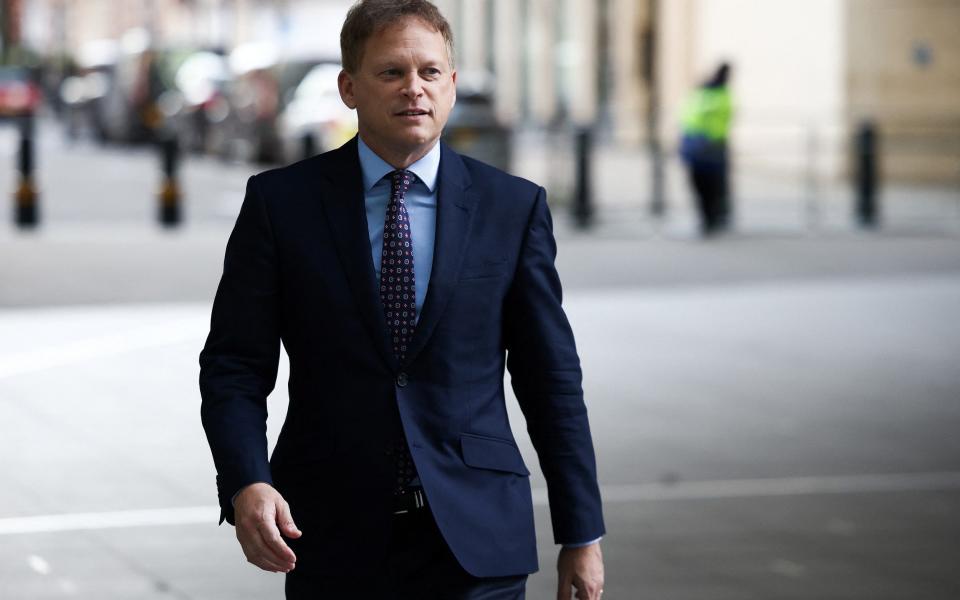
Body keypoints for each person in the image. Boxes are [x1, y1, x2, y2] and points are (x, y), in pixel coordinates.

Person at [199, 1, 605, 598]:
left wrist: (582, 534)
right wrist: (246, 481)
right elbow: (234, 365)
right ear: (349, 87)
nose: (413, 89)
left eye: (430, 72)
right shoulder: (280, 205)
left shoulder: (511, 208)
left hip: (476, 537)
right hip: (331, 532)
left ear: (452, 84)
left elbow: (551, 381)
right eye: (391, 72)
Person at [679, 62, 734, 236]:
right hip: (702, 146)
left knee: (710, 186)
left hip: (707, 146)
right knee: (706, 185)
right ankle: (710, 218)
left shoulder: (710, 95)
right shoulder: (713, 95)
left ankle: (712, 218)